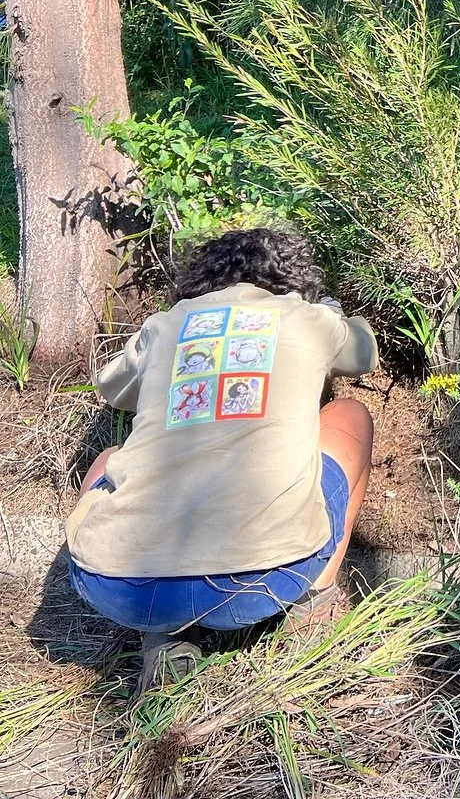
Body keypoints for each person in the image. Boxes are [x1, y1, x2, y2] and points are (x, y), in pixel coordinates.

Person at [66, 227, 378, 694]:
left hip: (118, 586)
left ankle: (165, 638)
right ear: (296, 280)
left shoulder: (167, 324)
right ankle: (314, 604)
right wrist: (328, 314)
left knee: (111, 456)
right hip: (266, 581)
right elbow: (364, 352)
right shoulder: (306, 317)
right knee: (351, 416)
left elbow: (113, 388)